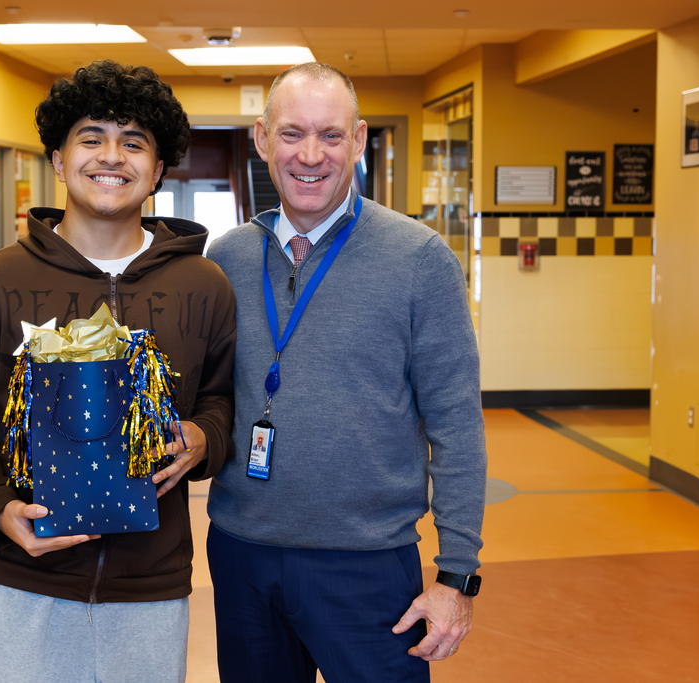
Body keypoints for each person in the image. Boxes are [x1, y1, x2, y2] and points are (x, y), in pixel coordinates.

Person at [0, 59, 235, 683]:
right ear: (59, 159)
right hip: (24, 585)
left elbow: (223, 398)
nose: (112, 157)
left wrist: (208, 436)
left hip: (151, 589)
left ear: (157, 169)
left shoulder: (203, 286)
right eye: (92, 138)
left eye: (134, 143)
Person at [205, 62, 487, 683]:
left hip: (366, 564)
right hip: (242, 552)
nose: (311, 155)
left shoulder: (418, 259)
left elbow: (458, 425)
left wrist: (455, 575)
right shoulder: (224, 259)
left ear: (359, 141)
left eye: (331, 135)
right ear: (261, 138)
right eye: (292, 134)